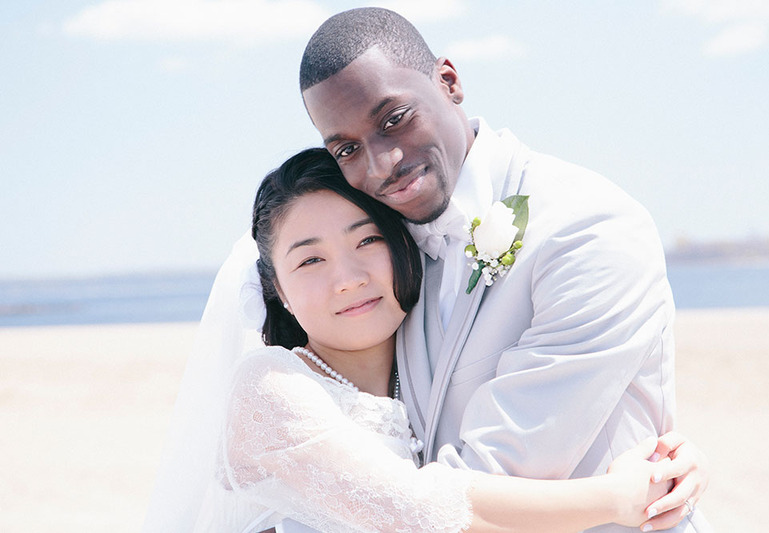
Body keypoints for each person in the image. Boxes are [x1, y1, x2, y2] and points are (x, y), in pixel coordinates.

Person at [145, 7, 710, 533]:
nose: (381, 164)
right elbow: (425, 504)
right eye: (345, 149)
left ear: (449, 81)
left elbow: (500, 470)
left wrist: (664, 472)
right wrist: (618, 494)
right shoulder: (397, 244)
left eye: (394, 118)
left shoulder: (587, 228)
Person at [159, 148, 693, 532]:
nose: (347, 277)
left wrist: (669, 463)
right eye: (311, 259)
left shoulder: (425, 362)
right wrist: (617, 498)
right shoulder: (270, 387)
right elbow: (425, 515)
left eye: (367, 238)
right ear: (277, 289)